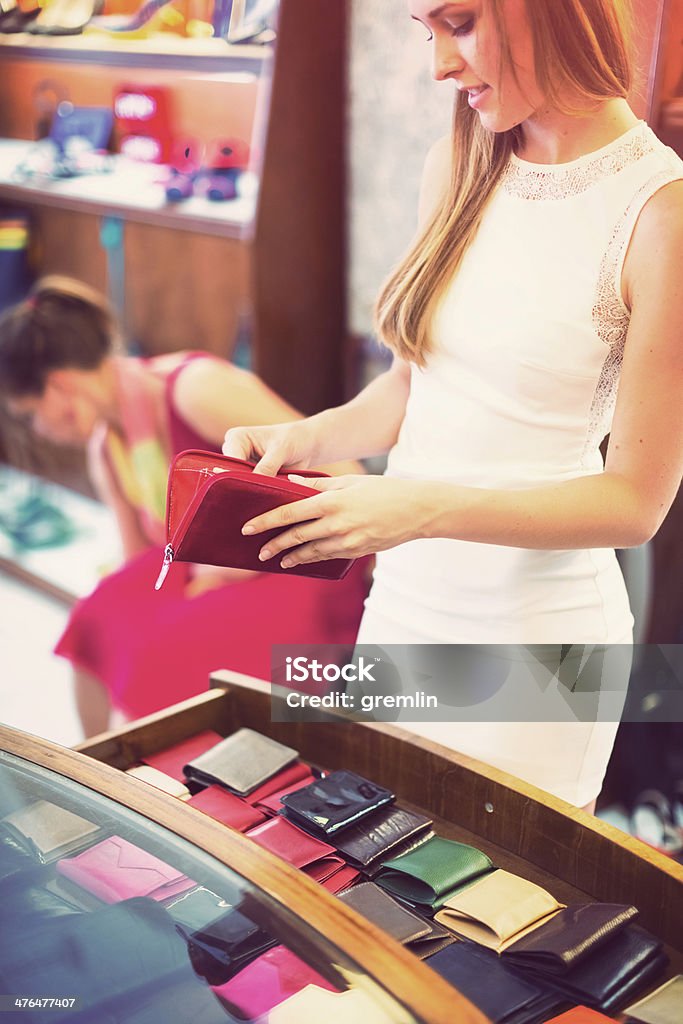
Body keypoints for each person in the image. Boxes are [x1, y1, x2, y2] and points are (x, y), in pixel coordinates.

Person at [222, 0, 683, 811]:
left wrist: (419, 508)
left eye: (460, 23)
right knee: (366, 884)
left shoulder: (658, 215)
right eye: (424, 30)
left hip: (535, 648)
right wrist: (305, 437)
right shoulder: (458, 163)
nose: (438, 64)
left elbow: (633, 504)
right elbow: (414, 387)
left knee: (486, 921)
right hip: (405, 599)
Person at [0, 276, 369, 736]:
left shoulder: (195, 389)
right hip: (211, 562)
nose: (37, 431)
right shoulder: (106, 450)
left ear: (59, 389)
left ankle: (141, 788)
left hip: (305, 555)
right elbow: (139, 560)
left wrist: (230, 571)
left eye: (30, 414)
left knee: (155, 660)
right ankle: (101, 773)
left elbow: (342, 471)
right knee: (94, 619)